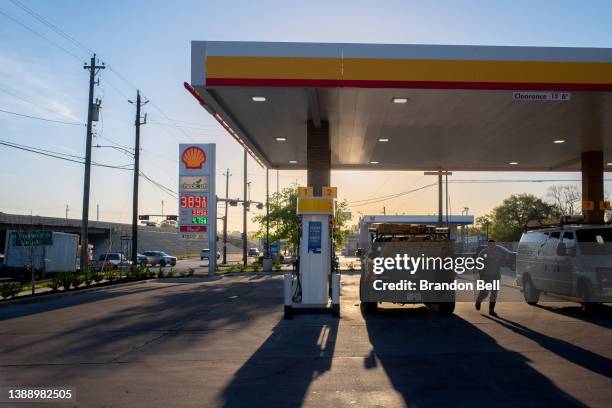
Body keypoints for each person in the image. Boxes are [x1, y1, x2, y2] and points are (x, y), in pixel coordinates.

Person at [475, 239, 502, 316]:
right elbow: (479, 264)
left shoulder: (497, 253)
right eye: (490, 244)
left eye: (493, 244)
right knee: (484, 292)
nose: (492, 246)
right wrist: (481, 274)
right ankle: (478, 301)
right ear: (488, 245)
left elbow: (501, 262)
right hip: (485, 276)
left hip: (495, 276)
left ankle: (491, 310)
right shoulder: (483, 253)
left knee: (494, 293)